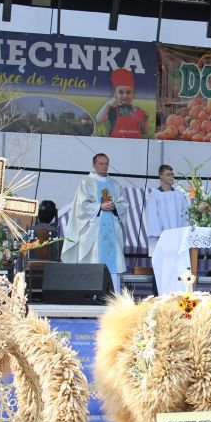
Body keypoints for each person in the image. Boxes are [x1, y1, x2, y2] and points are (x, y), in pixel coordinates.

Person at [61, 153, 128, 293]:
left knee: (113, 267)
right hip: (93, 232)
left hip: (112, 232)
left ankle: (114, 296)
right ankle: (91, 296)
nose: (104, 166)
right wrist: (99, 206)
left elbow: (123, 205)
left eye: (106, 164)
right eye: (101, 164)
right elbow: (81, 206)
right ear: (94, 165)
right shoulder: (86, 182)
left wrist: (115, 206)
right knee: (93, 265)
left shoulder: (115, 185)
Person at [145, 164, 189, 256]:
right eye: (168, 174)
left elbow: (186, 216)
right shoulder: (154, 196)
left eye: (172, 174)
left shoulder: (179, 195)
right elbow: (152, 218)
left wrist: (184, 233)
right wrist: (159, 235)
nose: (171, 177)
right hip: (161, 238)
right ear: (161, 176)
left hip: (178, 237)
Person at [96, 68, 149, 138]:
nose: (125, 95)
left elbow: (144, 131)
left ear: (133, 94)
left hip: (134, 142)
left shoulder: (137, 110)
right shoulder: (113, 109)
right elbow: (99, 119)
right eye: (121, 92)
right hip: (116, 141)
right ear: (115, 93)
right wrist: (108, 104)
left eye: (128, 92)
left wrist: (145, 121)